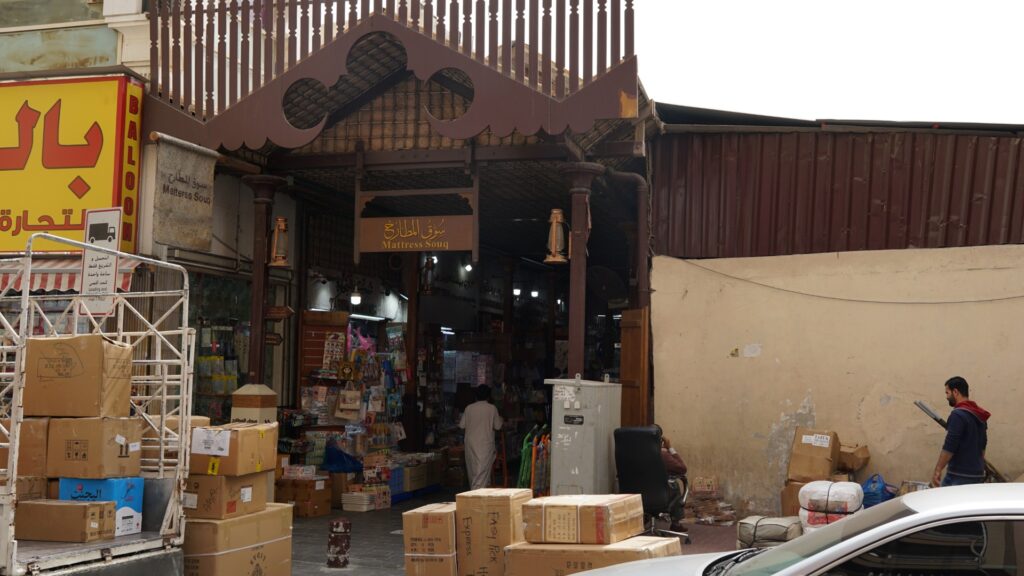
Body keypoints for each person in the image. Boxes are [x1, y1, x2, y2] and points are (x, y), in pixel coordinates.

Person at [931, 376, 991, 487]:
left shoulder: (958, 415)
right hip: (977, 474)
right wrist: (978, 465)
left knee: (945, 498)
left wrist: (938, 469)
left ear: (955, 392)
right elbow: (983, 445)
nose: (946, 397)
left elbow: (950, 445)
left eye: (947, 393)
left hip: (959, 475)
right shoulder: (980, 414)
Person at [459, 385, 503, 490]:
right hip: (485, 444)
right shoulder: (492, 408)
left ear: (476, 396)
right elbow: (498, 426)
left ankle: (476, 493)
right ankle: (478, 495)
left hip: (470, 444)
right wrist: (501, 419)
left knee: (473, 471)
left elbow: (461, 426)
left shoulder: (469, 408)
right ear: (488, 396)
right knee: (482, 472)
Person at [656, 424, 688, 531]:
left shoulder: (634, 453)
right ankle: (676, 523)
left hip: (637, 495)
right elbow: (682, 468)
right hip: (660, 496)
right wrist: (670, 448)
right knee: (674, 484)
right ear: (660, 440)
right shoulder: (662, 455)